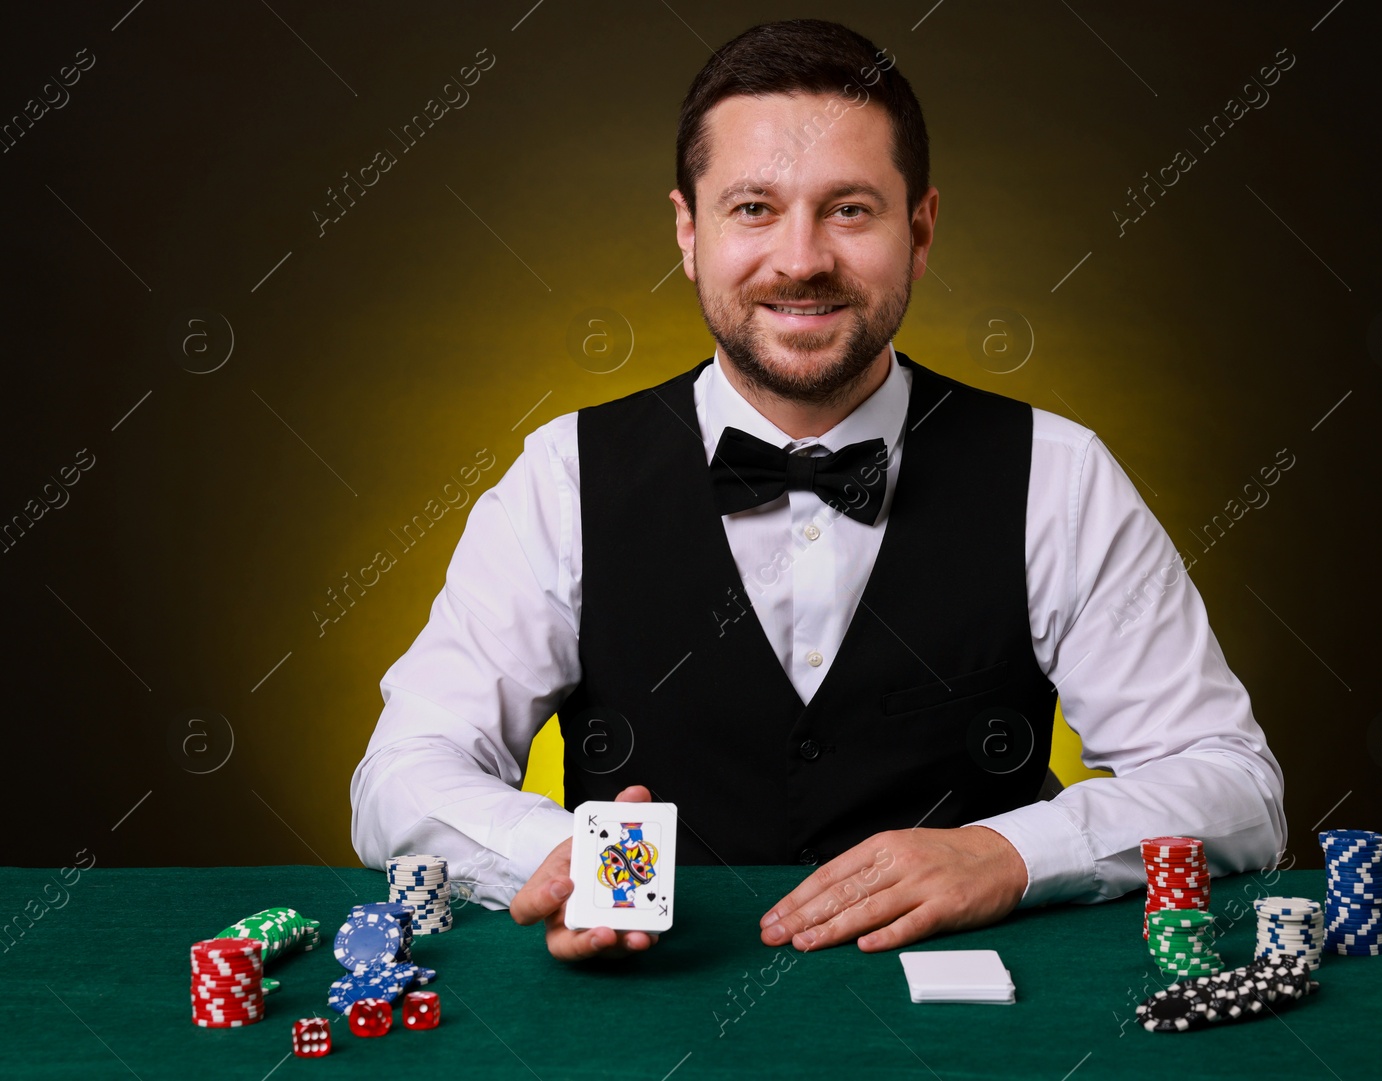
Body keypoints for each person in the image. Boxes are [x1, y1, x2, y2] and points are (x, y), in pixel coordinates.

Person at [350, 18, 1285, 962]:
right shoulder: (562, 476)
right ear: (688, 230)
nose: (800, 260)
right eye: (754, 208)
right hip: (644, 1022)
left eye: (849, 209)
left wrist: (1005, 851)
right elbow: (402, 772)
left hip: (975, 1034)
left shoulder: (1060, 471)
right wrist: (557, 857)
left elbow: (1234, 785)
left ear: (918, 232)